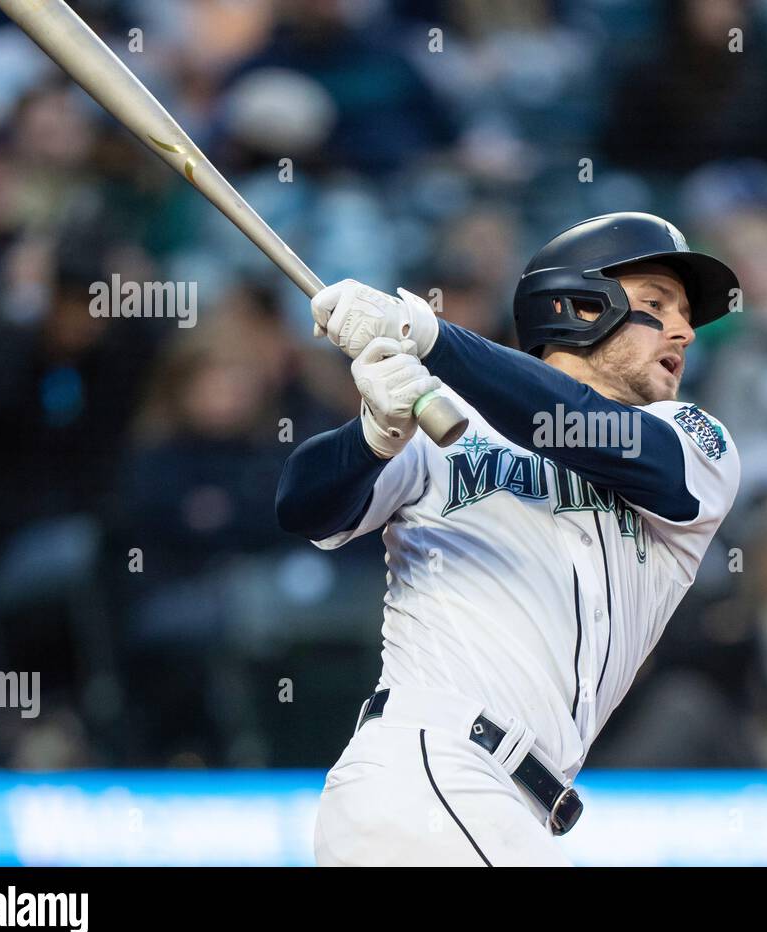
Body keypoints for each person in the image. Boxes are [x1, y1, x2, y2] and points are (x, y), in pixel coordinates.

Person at [276, 212, 741, 865]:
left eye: (686, 313)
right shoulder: (446, 419)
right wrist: (371, 436)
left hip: (513, 807)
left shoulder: (691, 441)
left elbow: (583, 429)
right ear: (581, 308)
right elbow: (304, 507)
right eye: (657, 305)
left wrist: (429, 336)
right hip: (430, 769)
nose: (686, 331)